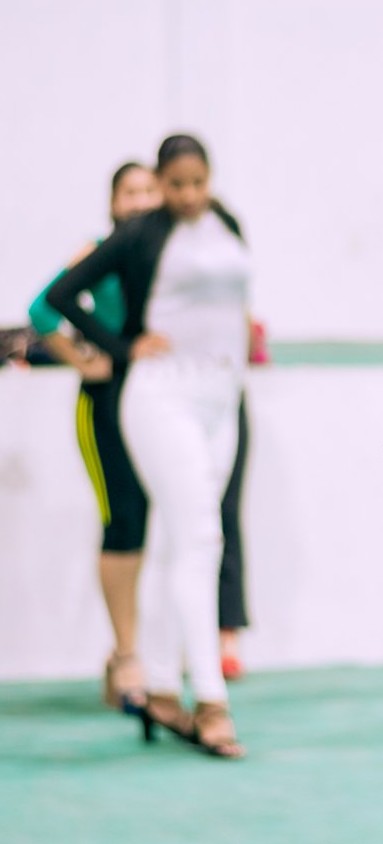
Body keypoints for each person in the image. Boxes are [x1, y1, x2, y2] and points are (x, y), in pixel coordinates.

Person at [48, 134, 249, 758]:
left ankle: (162, 687)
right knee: (202, 538)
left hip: (221, 397)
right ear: (161, 183)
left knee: (177, 542)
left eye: (198, 183)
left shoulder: (225, 225)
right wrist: (121, 347)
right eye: (176, 184)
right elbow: (60, 296)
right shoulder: (139, 234)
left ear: (210, 178)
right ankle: (210, 700)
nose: (188, 195)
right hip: (162, 395)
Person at [29, 162, 160, 713]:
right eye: (130, 192)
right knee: (121, 520)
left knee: (150, 521)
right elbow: (42, 309)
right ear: (113, 203)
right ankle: (127, 655)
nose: (140, 201)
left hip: (152, 400)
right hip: (103, 403)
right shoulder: (98, 251)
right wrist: (82, 360)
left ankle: (131, 651)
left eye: (148, 190)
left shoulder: (164, 253)